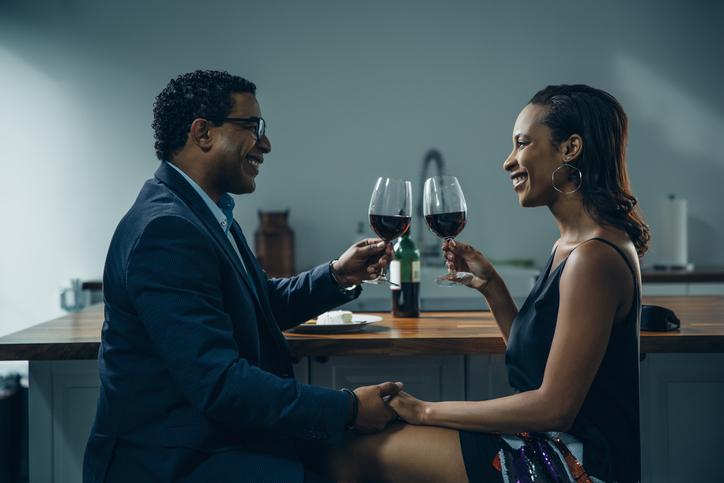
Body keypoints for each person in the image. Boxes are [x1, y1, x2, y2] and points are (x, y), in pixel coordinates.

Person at [82, 70, 403, 483]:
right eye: (252, 128)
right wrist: (350, 409)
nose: (265, 144)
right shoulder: (167, 230)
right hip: (177, 460)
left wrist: (337, 275)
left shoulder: (206, 214)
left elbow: (256, 304)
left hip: (218, 439)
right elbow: (217, 382)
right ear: (203, 133)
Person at [319, 85, 649, 483]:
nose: (509, 161)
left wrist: (426, 411)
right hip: (546, 440)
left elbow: (555, 407)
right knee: (366, 442)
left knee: (353, 454)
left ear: (570, 148)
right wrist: (493, 287)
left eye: (522, 143)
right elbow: (541, 369)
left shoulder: (592, 257)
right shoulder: (573, 245)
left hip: (575, 462)